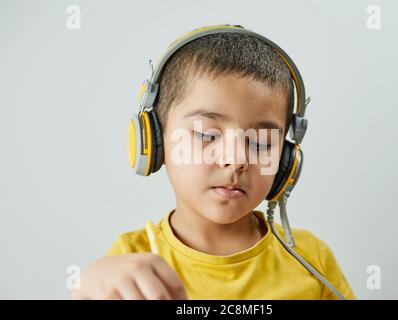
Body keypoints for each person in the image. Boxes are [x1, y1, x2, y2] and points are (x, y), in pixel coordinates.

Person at [71, 25, 356, 300]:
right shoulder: (130, 265)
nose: (236, 159)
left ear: (285, 158)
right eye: (208, 134)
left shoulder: (311, 259)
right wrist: (87, 287)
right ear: (156, 140)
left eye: (260, 142)